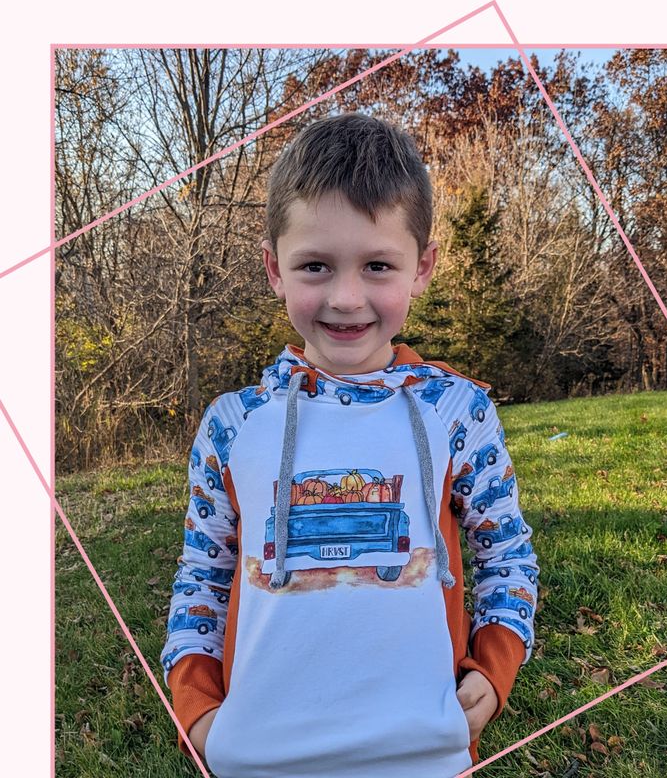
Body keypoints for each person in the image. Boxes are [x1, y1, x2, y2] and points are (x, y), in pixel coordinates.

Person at [161, 112, 538, 778]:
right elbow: (204, 577)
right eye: (315, 266)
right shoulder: (232, 424)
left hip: (421, 753)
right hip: (260, 755)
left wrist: (497, 659)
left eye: (377, 265)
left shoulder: (457, 411)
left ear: (421, 267)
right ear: (273, 268)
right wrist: (198, 706)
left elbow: (505, 553)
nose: (345, 298)